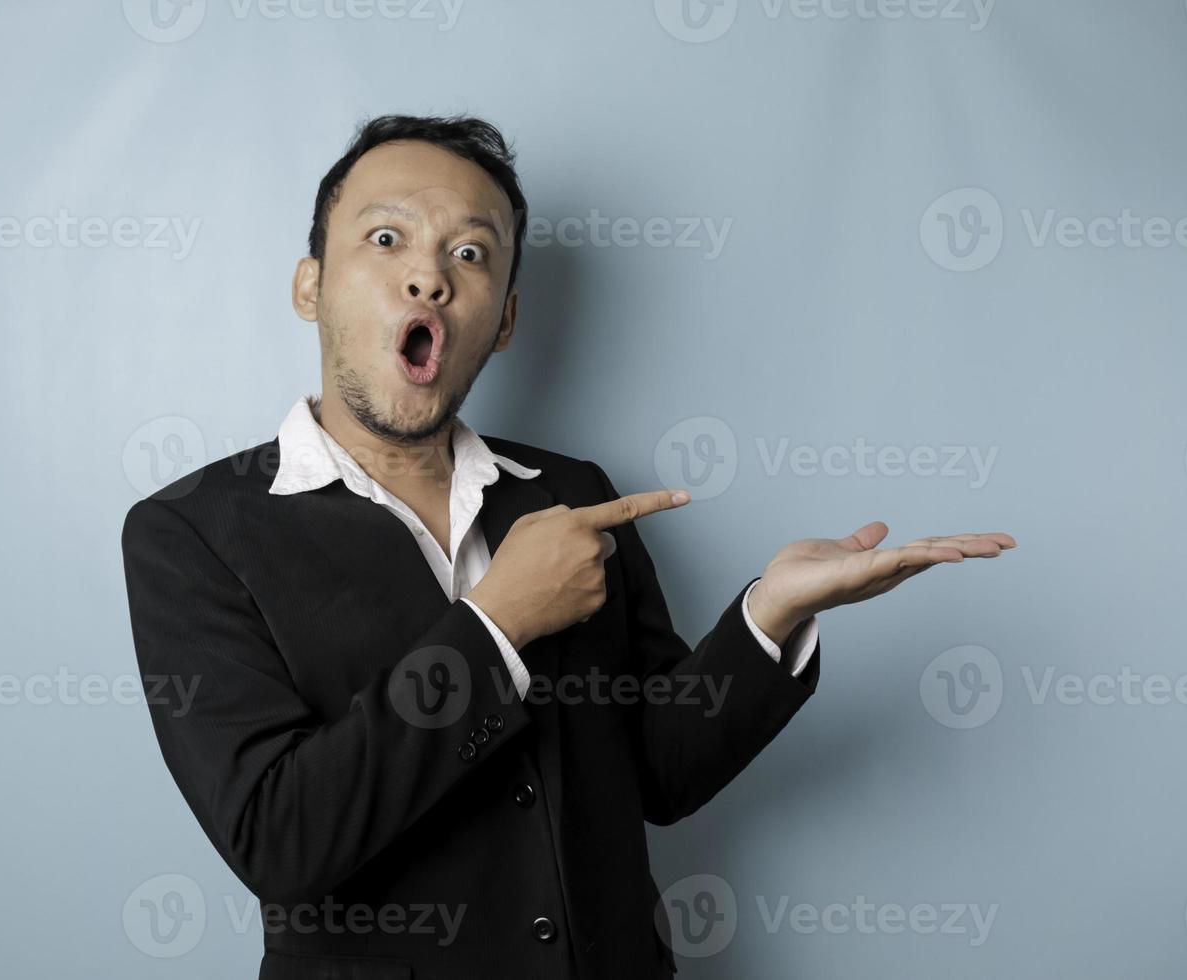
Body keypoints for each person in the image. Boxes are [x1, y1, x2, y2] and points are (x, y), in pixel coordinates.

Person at [120, 113, 1015, 980]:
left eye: (468, 254)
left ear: (505, 319)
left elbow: (659, 773)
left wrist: (770, 615)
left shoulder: (572, 494)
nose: (429, 279)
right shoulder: (192, 533)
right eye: (387, 240)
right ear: (310, 285)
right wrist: (499, 622)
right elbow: (282, 838)